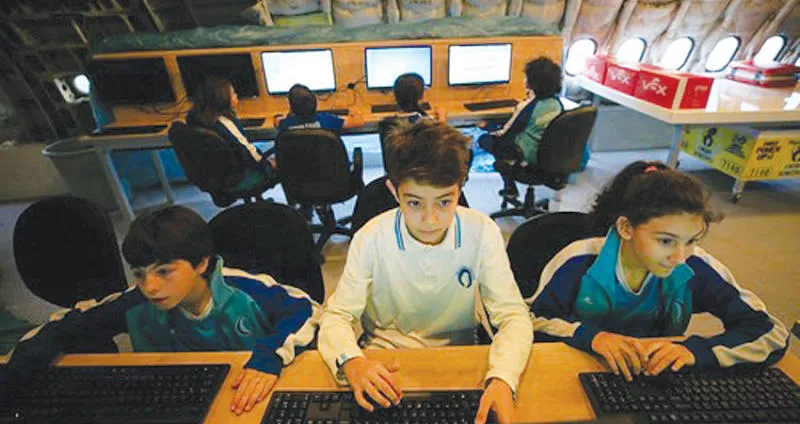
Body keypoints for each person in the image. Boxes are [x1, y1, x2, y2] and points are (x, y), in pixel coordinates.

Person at [3, 205, 319, 415]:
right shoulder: (137, 301)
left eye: (165, 271)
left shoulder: (244, 290)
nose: (150, 287)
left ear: (201, 263)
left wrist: (269, 355)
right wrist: (15, 374)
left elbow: (308, 309)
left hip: (244, 401)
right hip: (177, 402)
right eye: (139, 274)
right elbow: (68, 325)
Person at [318, 119, 533, 424]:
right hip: (384, 362)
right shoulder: (370, 238)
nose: (430, 219)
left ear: (460, 189)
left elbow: (513, 315)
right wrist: (351, 361)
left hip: (460, 361)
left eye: (444, 202)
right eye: (415, 203)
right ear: (394, 191)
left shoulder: (482, 231)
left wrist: (503, 378)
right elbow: (337, 315)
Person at [530, 161, 789, 381]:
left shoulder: (695, 265)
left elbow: (771, 332)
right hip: (579, 370)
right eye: (666, 241)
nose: (680, 257)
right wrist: (592, 337)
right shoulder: (579, 260)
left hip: (655, 376)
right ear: (626, 228)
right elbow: (532, 320)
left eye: (691, 240)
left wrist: (697, 351)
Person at [477, 57, 564, 199]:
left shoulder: (529, 107)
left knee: (485, 140)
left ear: (533, 82)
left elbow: (506, 133)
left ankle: (509, 178)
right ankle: (509, 176)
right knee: (503, 148)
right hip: (547, 156)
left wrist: (488, 126)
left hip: (527, 156)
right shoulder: (556, 104)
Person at [186, 76, 277, 188]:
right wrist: (268, 163)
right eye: (233, 93)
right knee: (284, 160)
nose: (236, 95)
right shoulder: (224, 123)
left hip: (217, 178)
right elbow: (247, 151)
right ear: (223, 98)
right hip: (239, 177)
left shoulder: (197, 120)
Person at [274, 84, 364, 131]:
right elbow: (359, 122)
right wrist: (355, 113)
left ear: (291, 107)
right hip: (326, 161)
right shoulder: (326, 119)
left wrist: (287, 115)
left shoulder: (285, 123)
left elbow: (276, 121)